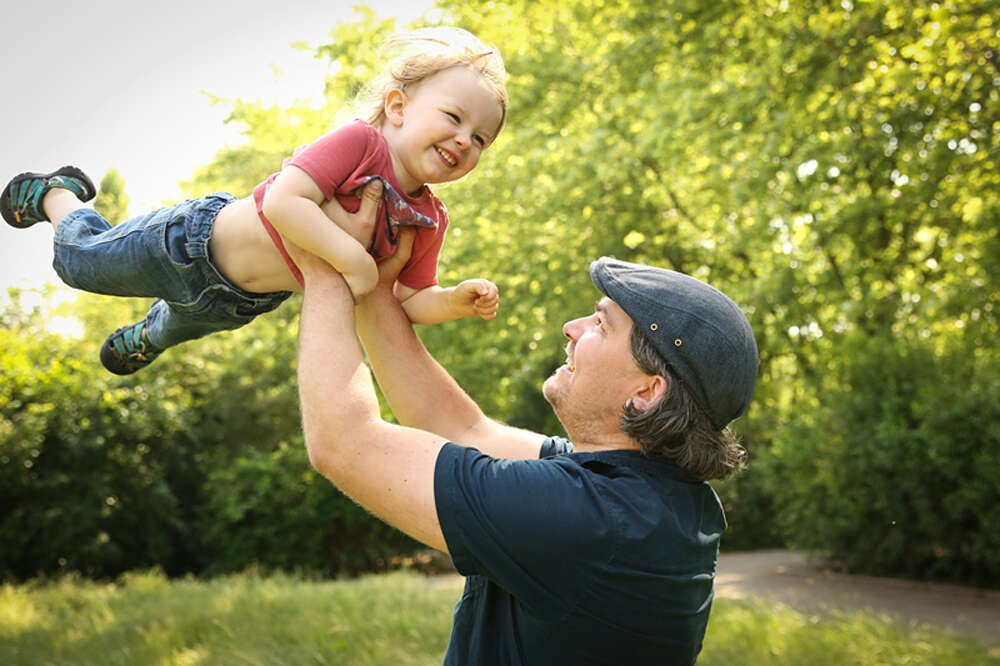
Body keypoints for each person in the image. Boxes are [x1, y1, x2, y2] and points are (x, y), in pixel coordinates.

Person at [291, 190, 759, 665]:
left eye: (601, 324)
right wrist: (374, 286)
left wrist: (325, 264)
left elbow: (344, 443)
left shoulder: (594, 520)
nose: (572, 327)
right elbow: (464, 429)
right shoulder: (649, 494)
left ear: (646, 392)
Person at [0, 27, 505, 375]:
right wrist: (355, 259)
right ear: (397, 106)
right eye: (454, 117)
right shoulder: (359, 144)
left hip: (244, 298)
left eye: (481, 138)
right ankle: (58, 193)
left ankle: (149, 338)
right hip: (189, 245)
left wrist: (453, 302)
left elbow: (410, 300)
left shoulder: (428, 218)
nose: (465, 141)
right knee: (79, 265)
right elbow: (286, 202)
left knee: (180, 325)